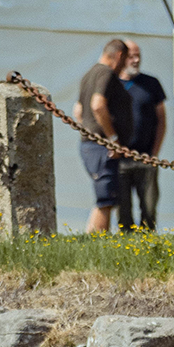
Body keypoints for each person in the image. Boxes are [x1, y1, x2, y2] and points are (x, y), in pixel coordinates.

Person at [73, 38, 130, 234]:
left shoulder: (89, 74)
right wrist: (112, 139)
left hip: (91, 144)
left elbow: (78, 111)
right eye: (126, 59)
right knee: (106, 199)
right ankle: (99, 243)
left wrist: (88, 131)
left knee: (105, 197)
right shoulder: (105, 73)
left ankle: (92, 239)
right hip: (101, 147)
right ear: (119, 56)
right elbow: (97, 105)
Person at [117, 41, 169, 231]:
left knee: (149, 209)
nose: (136, 60)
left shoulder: (151, 83)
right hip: (120, 160)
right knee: (123, 210)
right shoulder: (111, 83)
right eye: (131, 56)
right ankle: (127, 246)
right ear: (121, 57)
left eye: (138, 55)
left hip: (146, 157)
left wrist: (154, 154)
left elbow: (162, 120)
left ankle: (148, 244)